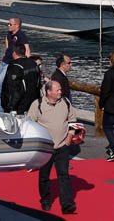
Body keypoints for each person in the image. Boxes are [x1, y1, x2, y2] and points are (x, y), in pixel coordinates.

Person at [28, 80, 78, 215]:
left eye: (61, 90)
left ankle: (67, 204)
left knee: (64, 175)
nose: (60, 92)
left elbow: (73, 120)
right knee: (44, 176)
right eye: (58, 90)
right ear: (49, 92)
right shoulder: (37, 105)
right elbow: (29, 124)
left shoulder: (66, 102)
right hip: (45, 148)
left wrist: (70, 136)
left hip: (62, 146)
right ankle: (45, 200)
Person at [0, 17, 31, 112]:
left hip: (10, 64)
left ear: (17, 25)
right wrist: (7, 51)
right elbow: (7, 40)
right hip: (3, 61)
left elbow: (27, 50)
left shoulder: (21, 35)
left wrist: (27, 62)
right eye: (8, 23)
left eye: (10, 24)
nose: (8, 25)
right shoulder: (9, 34)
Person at [2, 44, 42, 114]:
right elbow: (38, 84)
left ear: (14, 53)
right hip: (33, 103)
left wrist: (10, 107)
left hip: (18, 107)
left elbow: (13, 88)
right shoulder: (33, 64)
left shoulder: (15, 66)